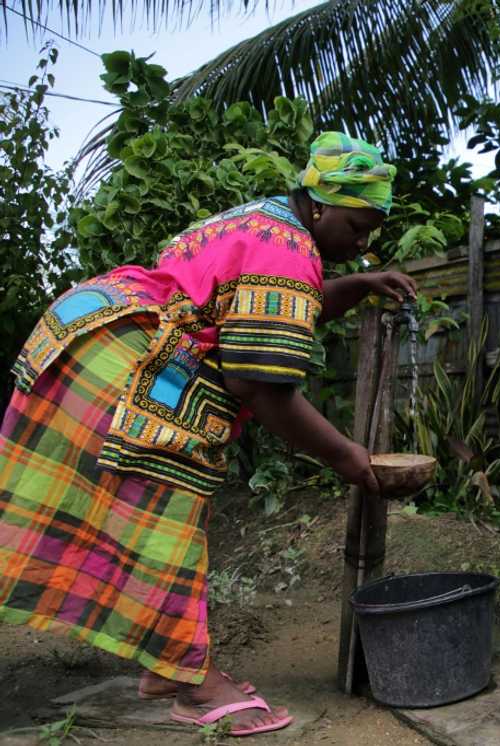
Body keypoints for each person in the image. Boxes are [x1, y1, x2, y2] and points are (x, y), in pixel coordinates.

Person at [0, 132, 417, 736]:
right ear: (321, 204)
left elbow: (266, 310)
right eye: (358, 225)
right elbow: (261, 389)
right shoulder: (287, 249)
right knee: (163, 515)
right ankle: (190, 680)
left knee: (153, 517)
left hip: (96, 334)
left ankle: (166, 665)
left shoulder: (269, 222)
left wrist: (355, 285)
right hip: (126, 360)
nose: (364, 241)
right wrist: (349, 458)